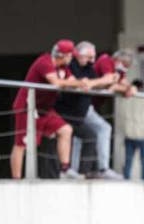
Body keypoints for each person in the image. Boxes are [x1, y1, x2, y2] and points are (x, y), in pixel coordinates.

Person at [10, 39, 88, 179]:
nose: (72, 58)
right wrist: (79, 83)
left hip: (44, 109)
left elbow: (73, 82)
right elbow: (56, 83)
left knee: (66, 130)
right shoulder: (44, 62)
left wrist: (85, 83)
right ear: (62, 55)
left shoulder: (63, 68)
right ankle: (17, 179)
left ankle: (65, 169)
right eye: (70, 55)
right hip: (27, 107)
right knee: (21, 144)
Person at [70, 48, 136, 179]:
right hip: (82, 104)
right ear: (118, 60)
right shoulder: (106, 60)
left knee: (82, 135)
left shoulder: (118, 71)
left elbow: (125, 85)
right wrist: (123, 87)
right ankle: (102, 168)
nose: (126, 68)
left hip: (89, 106)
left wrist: (130, 87)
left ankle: (76, 169)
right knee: (103, 129)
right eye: (125, 65)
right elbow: (109, 83)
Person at [55, 41, 116, 177]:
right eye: (89, 57)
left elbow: (96, 82)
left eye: (93, 57)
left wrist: (95, 83)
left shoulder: (88, 67)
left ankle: (84, 172)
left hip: (81, 113)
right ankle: (69, 171)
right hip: (67, 112)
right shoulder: (71, 65)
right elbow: (73, 83)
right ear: (79, 55)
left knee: (91, 135)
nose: (92, 60)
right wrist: (85, 83)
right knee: (73, 137)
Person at [121, 79, 144, 180]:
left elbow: (122, 116)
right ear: (141, 88)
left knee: (128, 160)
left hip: (130, 134)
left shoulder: (126, 99)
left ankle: (126, 180)